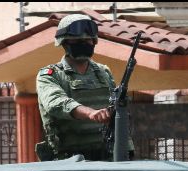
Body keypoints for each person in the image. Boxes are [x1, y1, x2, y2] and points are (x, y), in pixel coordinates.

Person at [36, 14, 131, 161]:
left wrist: (127, 149)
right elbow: (56, 103)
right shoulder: (50, 75)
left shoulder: (103, 72)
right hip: (67, 162)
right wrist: (90, 113)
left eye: (88, 40)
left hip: (106, 158)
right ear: (64, 42)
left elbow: (117, 113)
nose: (85, 43)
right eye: (78, 40)